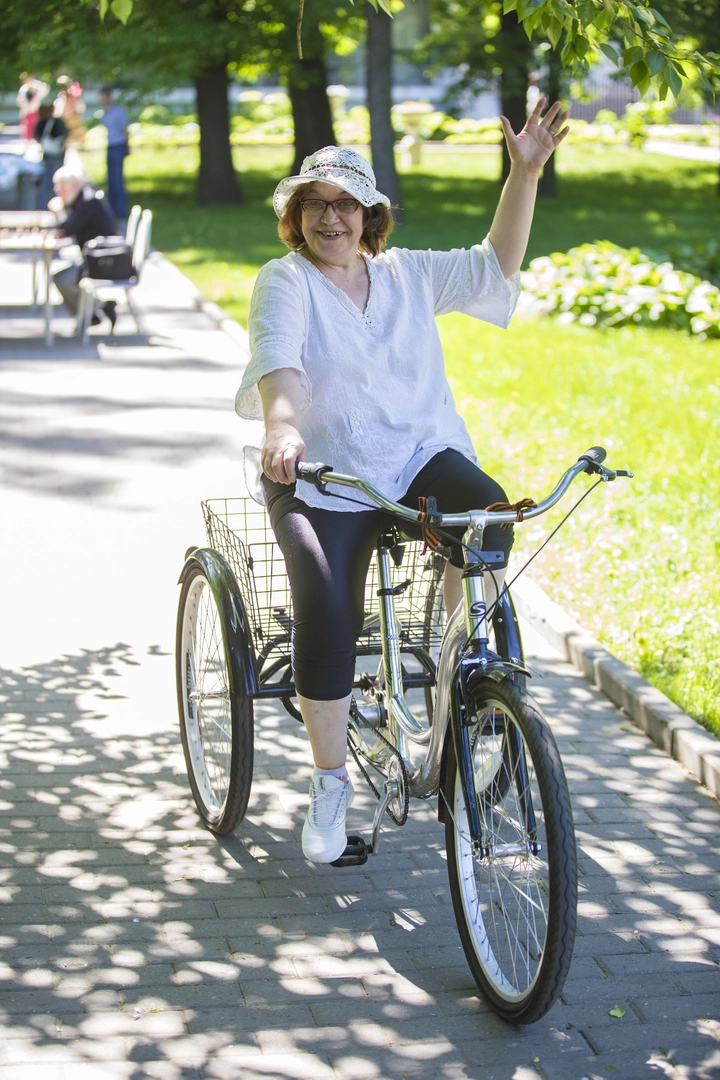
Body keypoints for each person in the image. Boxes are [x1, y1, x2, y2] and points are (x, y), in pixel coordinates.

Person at [235, 98, 570, 864]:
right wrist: (281, 426)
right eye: (315, 204)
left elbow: (494, 263)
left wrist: (523, 173)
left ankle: (464, 686)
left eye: (346, 204)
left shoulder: (407, 274)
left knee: (486, 517)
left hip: (416, 454)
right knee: (328, 603)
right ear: (296, 217)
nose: (331, 218)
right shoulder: (285, 281)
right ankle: (329, 785)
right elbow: (278, 359)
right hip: (320, 469)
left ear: (370, 215)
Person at [51, 164, 118, 328]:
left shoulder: (88, 201)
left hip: (103, 260)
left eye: (61, 187)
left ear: (74, 185)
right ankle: (91, 313)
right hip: (95, 257)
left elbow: (67, 229)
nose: (58, 192)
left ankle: (99, 307)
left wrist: (59, 211)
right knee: (61, 277)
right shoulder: (82, 199)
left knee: (62, 279)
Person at [99, 87, 129, 221]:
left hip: (118, 145)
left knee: (117, 179)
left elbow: (124, 129)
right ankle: (111, 209)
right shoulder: (104, 113)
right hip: (110, 145)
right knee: (110, 179)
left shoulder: (118, 111)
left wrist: (127, 146)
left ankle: (120, 211)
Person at [33, 104, 68, 208]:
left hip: (47, 156)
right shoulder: (57, 122)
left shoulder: (41, 122)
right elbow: (65, 135)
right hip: (57, 156)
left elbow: (36, 137)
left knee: (45, 184)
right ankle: (57, 207)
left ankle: (44, 207)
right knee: (57, 184)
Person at [16, 75, 49, 141]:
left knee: (35, 129)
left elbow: (45, 89)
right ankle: (27, 143)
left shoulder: (36, 86)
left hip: (34, 111)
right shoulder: (24, 88)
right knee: (27, 130)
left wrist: (36, 96)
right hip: (26, 112)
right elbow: (20, 100)